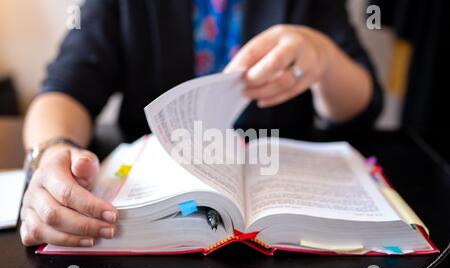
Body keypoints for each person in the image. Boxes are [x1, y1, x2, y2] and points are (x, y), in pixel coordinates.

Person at [20, 0, 382, 247]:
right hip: (152, 211)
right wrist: (51, 151)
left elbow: (363, 106)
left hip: (282, 222)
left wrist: (325, 57)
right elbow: (64, 90)